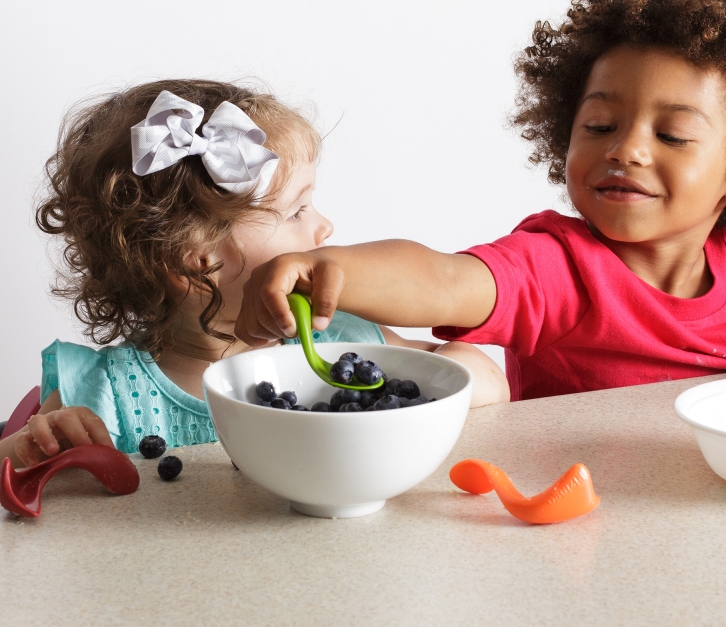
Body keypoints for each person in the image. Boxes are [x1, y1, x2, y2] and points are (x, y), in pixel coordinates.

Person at [236, 0, 726, 401]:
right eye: (600, 125)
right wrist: (327, 270)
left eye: (672, 135)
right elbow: (444, 281)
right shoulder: (557, 268)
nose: (626, 149)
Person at [1, 80, 506, 469]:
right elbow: (16, 477)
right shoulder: (104, 392)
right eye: (296, 211)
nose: (325, 226)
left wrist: (433, 381)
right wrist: (31, 448)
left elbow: (486, 384)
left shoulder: (342, 348)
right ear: (195, 261)